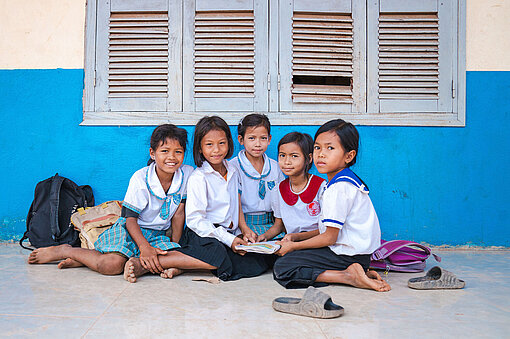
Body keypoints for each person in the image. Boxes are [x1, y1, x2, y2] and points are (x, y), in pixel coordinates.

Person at [28, 124, 214, 283]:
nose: (171, 157)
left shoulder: (187, 174)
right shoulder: (141, 178)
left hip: (158, 234)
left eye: (178, 152)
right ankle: (66, 251)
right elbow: (130, 219)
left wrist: (174, 246)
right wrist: (144, 248)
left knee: (178, 259)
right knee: (111, 265)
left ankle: (88, 260)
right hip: (131, 229)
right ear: (153, 153)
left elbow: (179, 213)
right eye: (164, 151)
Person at [272, 119, 391, 292]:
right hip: (358, 256)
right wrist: (297, 237)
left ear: (349, 156)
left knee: (283, 266)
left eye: (330, 148)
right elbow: (329, 231)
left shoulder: (338, 188)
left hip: (347, 255)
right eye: (318, 147)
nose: (321, 154)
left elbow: (329, 238)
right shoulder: (344, 181)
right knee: (295, 255)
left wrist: (294, 246)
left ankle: (348, 276)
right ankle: (359, 271)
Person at [177, 116, 273, 281]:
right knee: (218, 253)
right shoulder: (199, 177)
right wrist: (229, 240)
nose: (216, 150)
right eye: (209, 144)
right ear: (199, 148)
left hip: (229, 233)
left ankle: (183, 266)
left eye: (221, 143)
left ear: (229, 143)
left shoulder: (233, 170)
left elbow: (236, 206)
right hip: (204, 234)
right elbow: (195, 221)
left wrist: (243, 232)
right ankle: (163, 262)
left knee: (258, 261)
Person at [256, 132, 325, 243]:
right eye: (282, 155)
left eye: (294, 156)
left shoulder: (321, 187)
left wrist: (297, 237)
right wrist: (264, 236)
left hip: (317, 243)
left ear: (309, 158)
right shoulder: (278, 190)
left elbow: (326, 230)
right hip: (291, 242)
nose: (287, 162)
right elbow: (278, 225)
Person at [229, 114, 284, 239]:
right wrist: (245, 230)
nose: (258, 144)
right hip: (243, 226)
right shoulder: (233, 167)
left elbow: (281, 202)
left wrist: (271, 231)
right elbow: (234, 204)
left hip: (272, 226)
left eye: (263, 138)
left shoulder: (275, 167)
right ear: (241, 140)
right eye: (252, 138)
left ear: (269, 139)